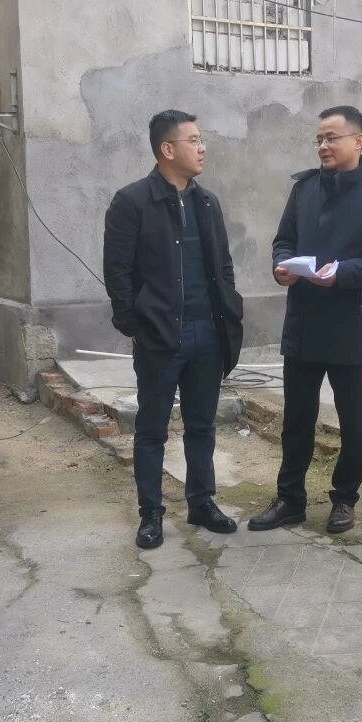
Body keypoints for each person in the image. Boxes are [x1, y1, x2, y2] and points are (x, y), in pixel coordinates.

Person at [248, 106, 362, 535]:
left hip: (350, 324)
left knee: (353, 422)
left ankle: (344, 499)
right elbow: (283, 240)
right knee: (297, 419)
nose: (322, 146)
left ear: (358, 140)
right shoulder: (304, 189)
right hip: (304, 322)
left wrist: (342, 273)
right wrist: (281, 265)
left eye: (331, 137)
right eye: (319, 138)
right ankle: (290, 499)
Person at [103, 110, 245, 549]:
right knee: (152, 429)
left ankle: (201, 502)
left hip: (207, 333)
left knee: (202, 425)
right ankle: (151, 514)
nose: (202, 148)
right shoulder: (131, 202)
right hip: (161, 336)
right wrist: (135, 326)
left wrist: (229, 311)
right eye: (194, 140)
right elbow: (117, 273)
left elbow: (223, 265)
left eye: (201, 140)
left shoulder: (208, 203)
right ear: (168, 149)